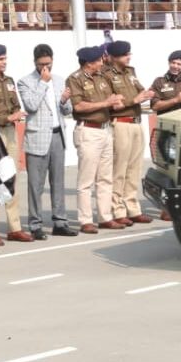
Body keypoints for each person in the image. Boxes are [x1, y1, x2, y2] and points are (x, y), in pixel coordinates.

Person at [16, 44, 76, 240]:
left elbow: (67, 111)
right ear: (35, 62)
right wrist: (42, 82)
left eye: (48, 64)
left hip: (58, 135)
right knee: (36, 184)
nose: (46, 68)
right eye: (42, 64)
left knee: (58, 181)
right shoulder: (25, 81)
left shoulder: (59, 80)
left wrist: (65, 100)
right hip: (38, 137)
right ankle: (35, 224)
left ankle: (60, 222)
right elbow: (31, 106)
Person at [68, 46, 125, 233]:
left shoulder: (102, 77)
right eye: (98, 60)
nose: (102, 62)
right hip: (89, 130)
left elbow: (110, 99)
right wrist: (106, 103)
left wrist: (115, 101)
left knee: (105, 178)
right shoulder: (75, 79)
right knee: (86, 180)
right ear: (88, 63)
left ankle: (105, 216)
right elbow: (79, 106)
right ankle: (85, 220)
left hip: (105, 129)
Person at [0, 45, 35, 244]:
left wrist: (16, 114)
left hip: (10, 132)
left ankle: (15, 227)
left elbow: (15, 105)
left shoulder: (9, 81)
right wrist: (6, 117)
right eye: (0, 59)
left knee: (11, 179)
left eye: (5, 58)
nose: (4, 62)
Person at [104, 41, 155, 226]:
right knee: (119, 170)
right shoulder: (107, 75)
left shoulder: (130, 72)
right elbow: (112, 103)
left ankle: (132, 207)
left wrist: (147, 94)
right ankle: (117, 209)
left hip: (135, 122)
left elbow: (141, 90)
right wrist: (135, 99)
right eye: (125, 55)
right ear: (115, 57)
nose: (129, 57)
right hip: (120, 122)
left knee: (134, 169)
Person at [150, 50, 181, 114]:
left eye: (179, 64)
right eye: (173, 63)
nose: (175, 66)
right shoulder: (159, 81)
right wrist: (176, 100)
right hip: (166, 121)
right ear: (169, 63)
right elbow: (155, 106)